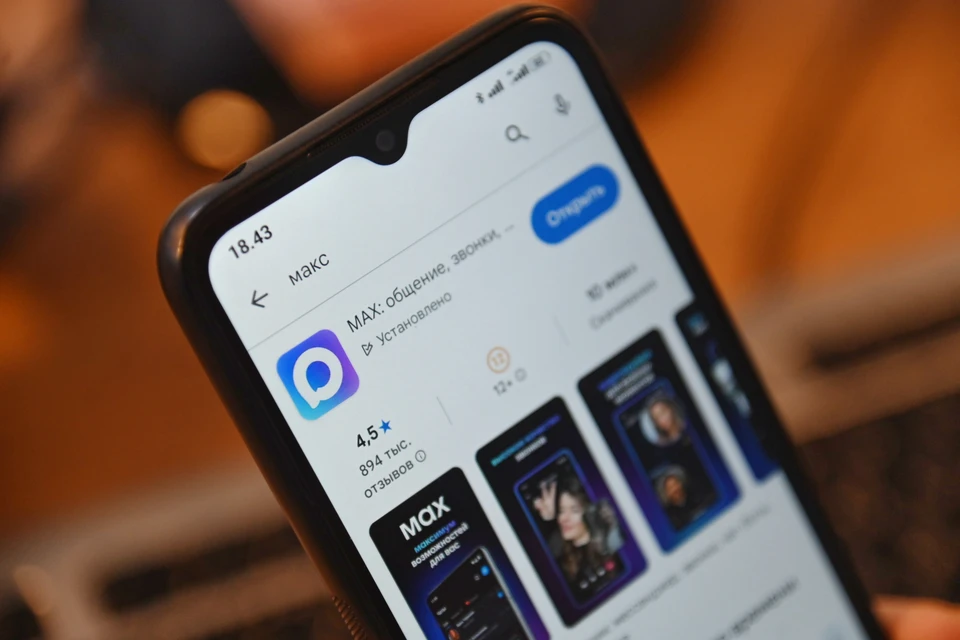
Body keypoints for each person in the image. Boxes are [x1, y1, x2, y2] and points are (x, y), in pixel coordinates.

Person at [531, 476, 621, 592]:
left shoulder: (611, 543)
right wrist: (548, 521)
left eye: (574, 511)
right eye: (561, 511)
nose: (564, 518)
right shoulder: (559, 555)